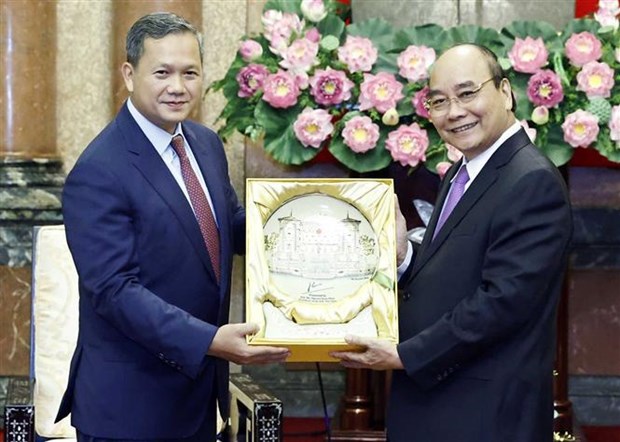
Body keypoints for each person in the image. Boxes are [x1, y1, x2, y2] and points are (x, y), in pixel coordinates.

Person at [56, 12, 289, 441]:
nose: (178, 87)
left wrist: (306, 225)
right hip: (130, 409)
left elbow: (225, 226)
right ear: (129, 74)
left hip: (198, 396)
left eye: (190, 73)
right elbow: (113, 291)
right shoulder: (99, 171)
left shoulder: (204, 142)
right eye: (162, 72)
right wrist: (210, 341)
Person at [331, 43, 573, 441]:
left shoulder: (532, 181)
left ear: (506, 92)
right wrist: (406, 256)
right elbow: (455, 275)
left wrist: (406, 355)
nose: (454, 111)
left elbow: (502, 302)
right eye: (438, 100)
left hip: (485, 417)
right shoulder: (463, 172)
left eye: (467, 93)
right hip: (439, 405)